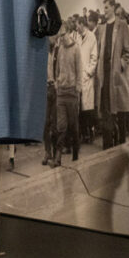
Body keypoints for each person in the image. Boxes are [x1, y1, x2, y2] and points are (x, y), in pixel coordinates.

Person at [96, 0, 129, 150]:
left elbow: (127, 52)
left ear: (112, 8)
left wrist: (120, 67)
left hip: (116, 77)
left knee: (119, 111)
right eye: (103, 8)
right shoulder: (102, 28)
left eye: (106, 7)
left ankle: (120, 145)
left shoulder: (122, 25)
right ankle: (107, 146)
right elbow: (99, 52)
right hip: (104, 76)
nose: (104, 10)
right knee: (105, 112)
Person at [51, 21, 81, 165]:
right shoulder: (60, 48)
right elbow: (56, 69)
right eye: (59, 35)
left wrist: (78, 90)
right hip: (61, 93)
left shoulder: (76, 49)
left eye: (63, 34)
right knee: (61, 126)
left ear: (69, 32)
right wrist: (57, 83)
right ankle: (58, 157)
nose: (61, 37)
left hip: (72, 93)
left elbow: (79, 71)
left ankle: (75, 154)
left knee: (74, 126)